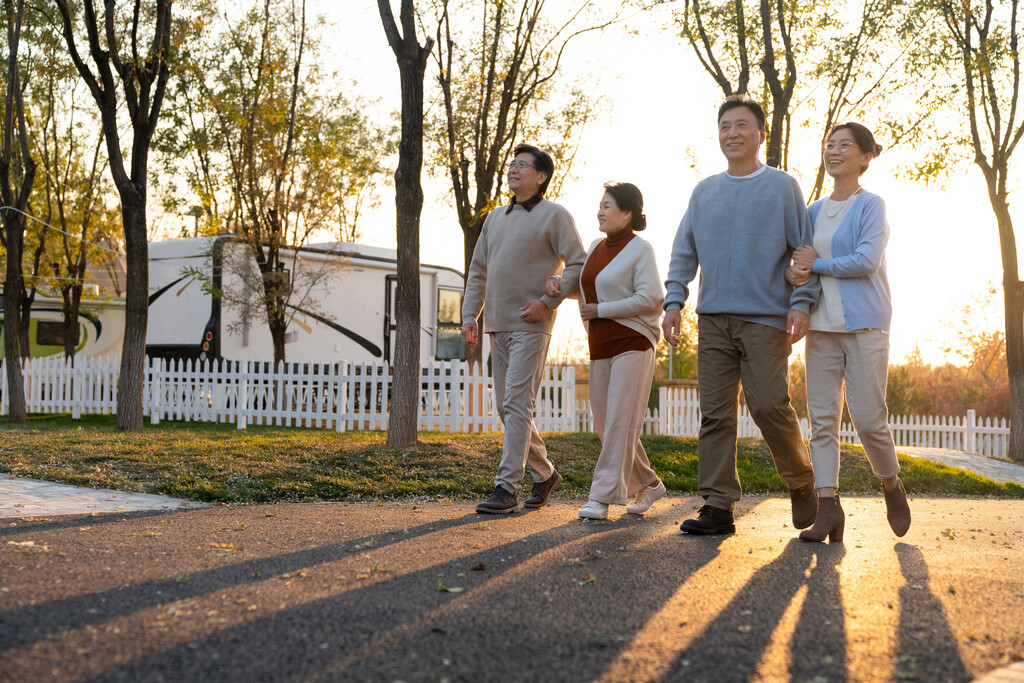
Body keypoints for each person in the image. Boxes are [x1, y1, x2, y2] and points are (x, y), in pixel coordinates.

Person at [662, 94, 820, 535]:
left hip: (765, 318)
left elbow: (803, 253)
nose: (732, 133)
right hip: (712, 318)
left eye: (741, 126)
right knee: (715, 414)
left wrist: (802, 306)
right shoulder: (704, 190)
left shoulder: (783, 186)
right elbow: (684, 250)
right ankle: (718, 505)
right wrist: (674, 301)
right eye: (725, 126)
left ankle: (801, 479)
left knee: (770, 406)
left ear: (760, 134)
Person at [787, 122, 911, 542]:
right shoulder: (813, 211)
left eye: (844, 146)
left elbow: (865, 260)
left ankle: (891, 484)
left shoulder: (871, 205)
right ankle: (828, 507)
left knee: (869, 419)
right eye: (829, 145)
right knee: (822, 421)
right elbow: (799, 269)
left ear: (864, 157)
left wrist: (814, 262)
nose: (834, 151)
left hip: (866, 326)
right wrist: (796, 283)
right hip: (821, 329)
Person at [462, 143, 587, 514]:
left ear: (541, 176)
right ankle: (545, 474)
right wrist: (471, 315)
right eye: (512, 164)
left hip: (533, 324)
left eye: (522, 165)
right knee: (507, 407)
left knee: (517, 403)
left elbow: (578, 264)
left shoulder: (555, 215)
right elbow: (478, 272)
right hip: (497, 325)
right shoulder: (495, 218)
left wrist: (547, 302)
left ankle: (506, 486)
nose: (513, 169)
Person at [545, 182, 666, 520]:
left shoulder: (641, 250)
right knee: (607, 423)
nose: (600, 211)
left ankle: (600, 498)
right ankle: (650, 483)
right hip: (599, 345)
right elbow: (588, 289)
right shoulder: (597, 246)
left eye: (607, 205)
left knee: (619, 421)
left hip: (633, 342)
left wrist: (602, 310)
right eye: (599, 205)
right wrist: (558, 287)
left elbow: (652, 296)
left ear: (627, 212)